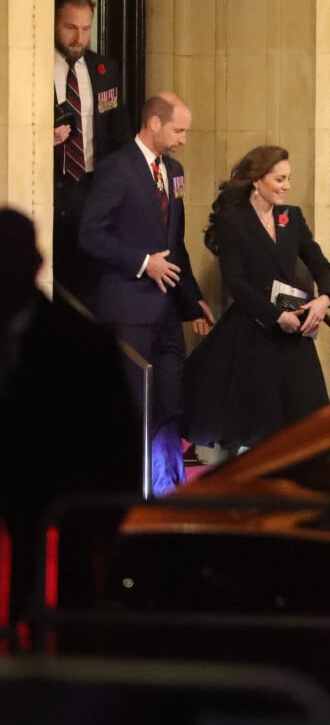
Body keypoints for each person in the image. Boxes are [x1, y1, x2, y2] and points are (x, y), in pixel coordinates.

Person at [0, 207, 142, 623]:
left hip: (64, 494)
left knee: (72, 603)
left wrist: (112, 513)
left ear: (34, 265)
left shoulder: (82, 343)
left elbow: (117, 433)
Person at [79, 93, 215, 495]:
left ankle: (169, 489)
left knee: (172, 401)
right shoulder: (117, 168)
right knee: (135, 406)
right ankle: (128, 489)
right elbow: (90, 234)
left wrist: (194, 301)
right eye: (178, 130)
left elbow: (178, 245)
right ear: (154, 123)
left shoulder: (174, 171)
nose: (183, 140)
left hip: (168, 312)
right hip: (127, 310)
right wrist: (142, 262)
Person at [181, 144, 330, 451]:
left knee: (304, 419)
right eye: (280, 179)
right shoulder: (233, 221)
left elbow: (320, 263)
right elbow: (236, 283)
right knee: (258, 424)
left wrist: (326, 299)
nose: (287, 187)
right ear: (257, 180)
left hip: (294, 328)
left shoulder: (290, 217)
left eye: (288, 178)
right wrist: (276, 316)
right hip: (255, 328)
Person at [53, 0, 132, 310]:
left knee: (92, 276)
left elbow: (118, 129)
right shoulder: (31, 69)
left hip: (92, 185)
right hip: (52, 185)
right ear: (54, 24)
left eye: (86, 29)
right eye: (70, 28)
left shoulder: (103, 69)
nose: (78, 38)